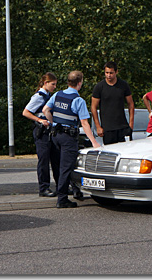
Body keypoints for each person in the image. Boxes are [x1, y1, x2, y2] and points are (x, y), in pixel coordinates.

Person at [42, 71, 100, 208]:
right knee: (66, 168)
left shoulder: (57, 95)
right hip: (68, 138)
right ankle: (62, 199)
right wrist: (94, 142)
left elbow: (45, 110)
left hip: (56, 136)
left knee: (58, 166)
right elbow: (84, 123)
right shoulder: (78, 100)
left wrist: (53, 124)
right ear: (80, 83)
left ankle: (71, 191)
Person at [22, 72, 60, 197]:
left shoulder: (48, 95)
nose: (55, 87)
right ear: (45, 83)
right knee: (43, 160)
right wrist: (39, 120)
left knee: (55, 159)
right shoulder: (39, 96)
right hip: (42, 132)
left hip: (50, 132)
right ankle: (44, 188)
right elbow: (26, 112)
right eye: (53, 84)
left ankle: (60, 185)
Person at [91, 61, 135, 145]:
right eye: (106, 73)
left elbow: (131, 104)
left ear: (116, 72)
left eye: (111, 73)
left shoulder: (123, 85)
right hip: (108, 128)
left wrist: (131, 124)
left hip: (123, 127)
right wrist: (98, 126)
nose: (109, 75)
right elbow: (93, 107)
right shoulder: (99, 87)